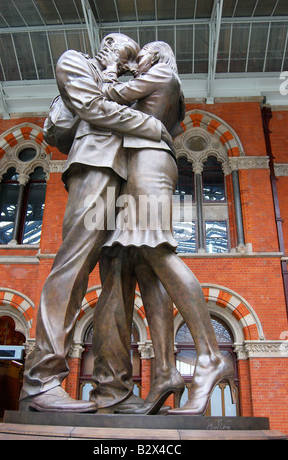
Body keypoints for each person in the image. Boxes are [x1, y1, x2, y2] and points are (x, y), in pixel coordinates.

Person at [19, 33, 174, 413]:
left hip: (129, 177)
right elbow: (91, 107)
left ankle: (113, 390)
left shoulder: (121, 82)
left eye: (126, 60)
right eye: (118, 53)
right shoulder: (75, 61)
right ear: (104, 45)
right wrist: (150, 127)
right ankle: (41, 381)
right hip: (96, 166)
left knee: (120, 283)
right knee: (73, 265)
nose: (120, 62)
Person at [91, 41, 236, 416]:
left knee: (157, 250)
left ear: (155, 56)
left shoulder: (161, 73)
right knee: (145, 263)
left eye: (139, 56)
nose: (133, 63)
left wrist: (110, 68)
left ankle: (209, 355)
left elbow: (106, 96)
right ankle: (166, 373)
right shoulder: (164, 85)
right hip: (145, 164)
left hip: (149, 165)